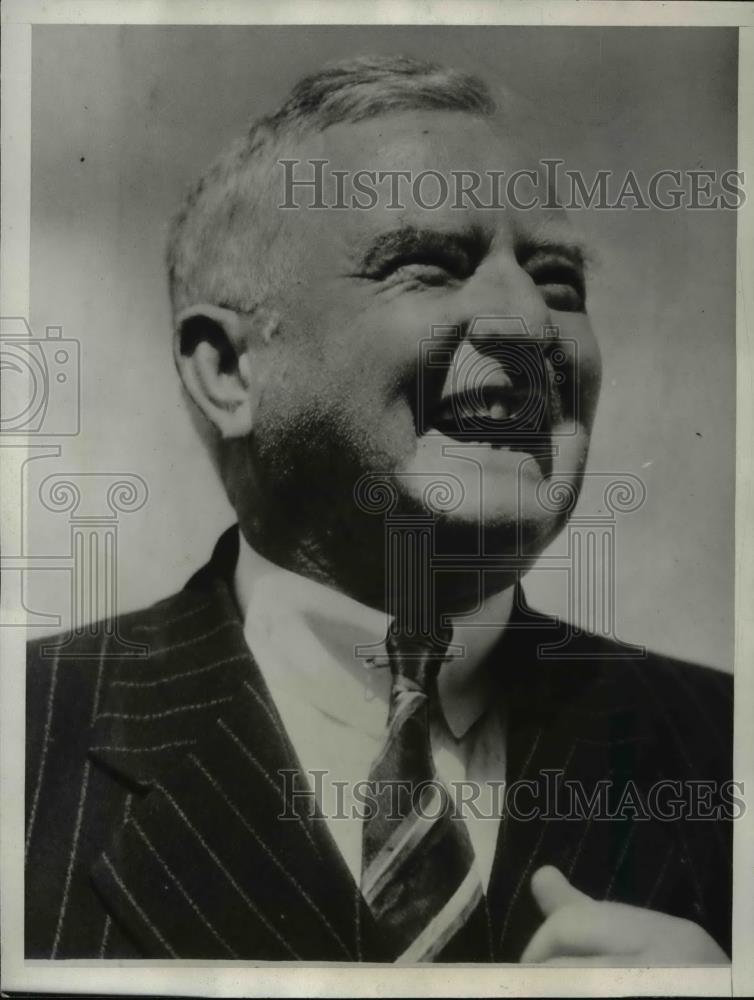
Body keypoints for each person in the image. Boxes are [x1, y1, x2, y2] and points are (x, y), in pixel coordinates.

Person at [25, 55, 732, 963]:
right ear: (232, 371)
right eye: (427, 267)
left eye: (559, 282)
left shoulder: (721, 746)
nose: (528, 326)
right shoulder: (30, 740)